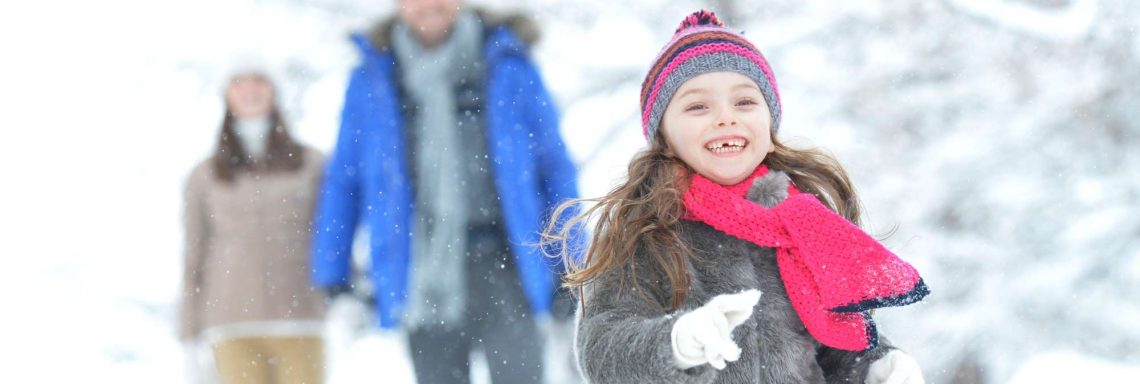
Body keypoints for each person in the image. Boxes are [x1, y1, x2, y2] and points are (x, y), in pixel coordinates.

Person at [543, 10, 929, 383]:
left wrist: (876, 366)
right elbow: (600, 349)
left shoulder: (804, 224)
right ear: (663, 134)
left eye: (745, 102)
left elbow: (836, 340)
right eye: (698, 106)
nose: (726, 117)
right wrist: (676, 342)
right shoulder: (644, 228)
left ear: (769, 119)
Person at [309, 0, 580, 383]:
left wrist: (570, 265)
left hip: (506, 263)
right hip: (422, 270)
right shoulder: (373, 79)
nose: (429, 5)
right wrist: (333, 275)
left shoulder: (507, 63)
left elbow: (553, 169)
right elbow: (345, 181)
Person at [181, 71, 327, 384]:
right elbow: (194, 253)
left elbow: (332, 239)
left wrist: (342, 296)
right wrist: (188, 330)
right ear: (226, 95)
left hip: (300, 317)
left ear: (274, 91)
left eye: (258, 81)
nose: (249, 91)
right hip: (231, 322)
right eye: (238, 83)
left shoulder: (312, 165)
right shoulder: (205, 176)